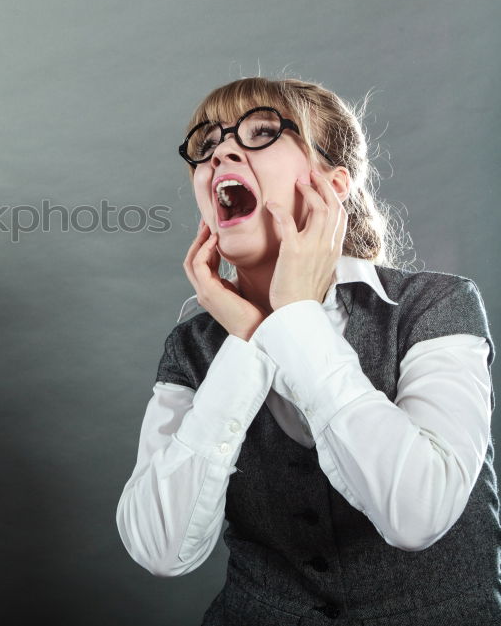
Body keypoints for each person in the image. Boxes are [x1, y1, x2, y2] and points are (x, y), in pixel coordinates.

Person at [115, 77, 501, 625]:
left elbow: (419, 514)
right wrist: (248, 342)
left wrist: (293, 318)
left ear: (333, 185)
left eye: (262, 133)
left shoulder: (437, 306)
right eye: (206, 144)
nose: (221, 150)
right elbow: (160, 550)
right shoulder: (191, 349)